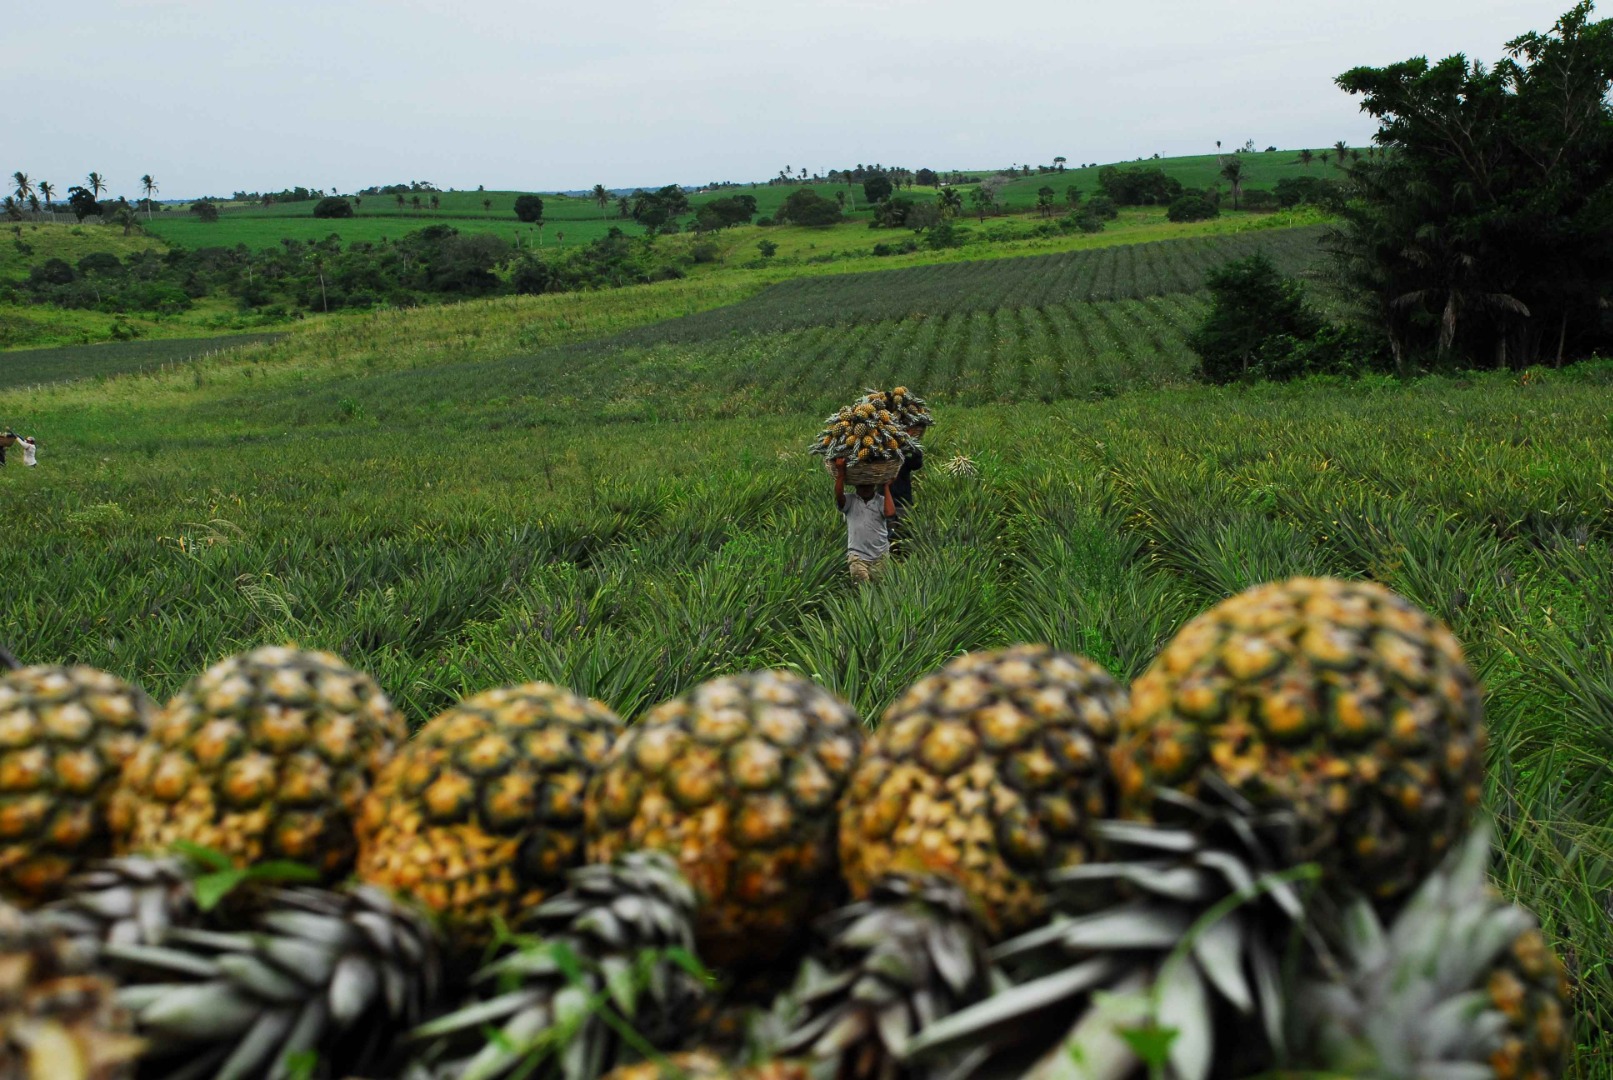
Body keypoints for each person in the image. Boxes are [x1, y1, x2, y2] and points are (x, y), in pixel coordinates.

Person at [834, 458, 896, 584]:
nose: (866, 489)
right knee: (862, 588)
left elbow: (890, 513)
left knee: (881, 589)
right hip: (857, 556)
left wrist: (886, 486)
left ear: (874, 485)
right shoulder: (851, 500)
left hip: (880, 555)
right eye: (862, 486)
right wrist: (841, 473)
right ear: (856, 486)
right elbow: (839, 496)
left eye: (869, 486)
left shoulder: (880, 500)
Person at [887, 422, 928, 558]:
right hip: (882, 500)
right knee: (886, 535)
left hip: (902, 499)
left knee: (903, 533)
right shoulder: (881, 449)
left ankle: (902, 558)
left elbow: (917, 463)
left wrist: (909, 442)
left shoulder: (904, 451)